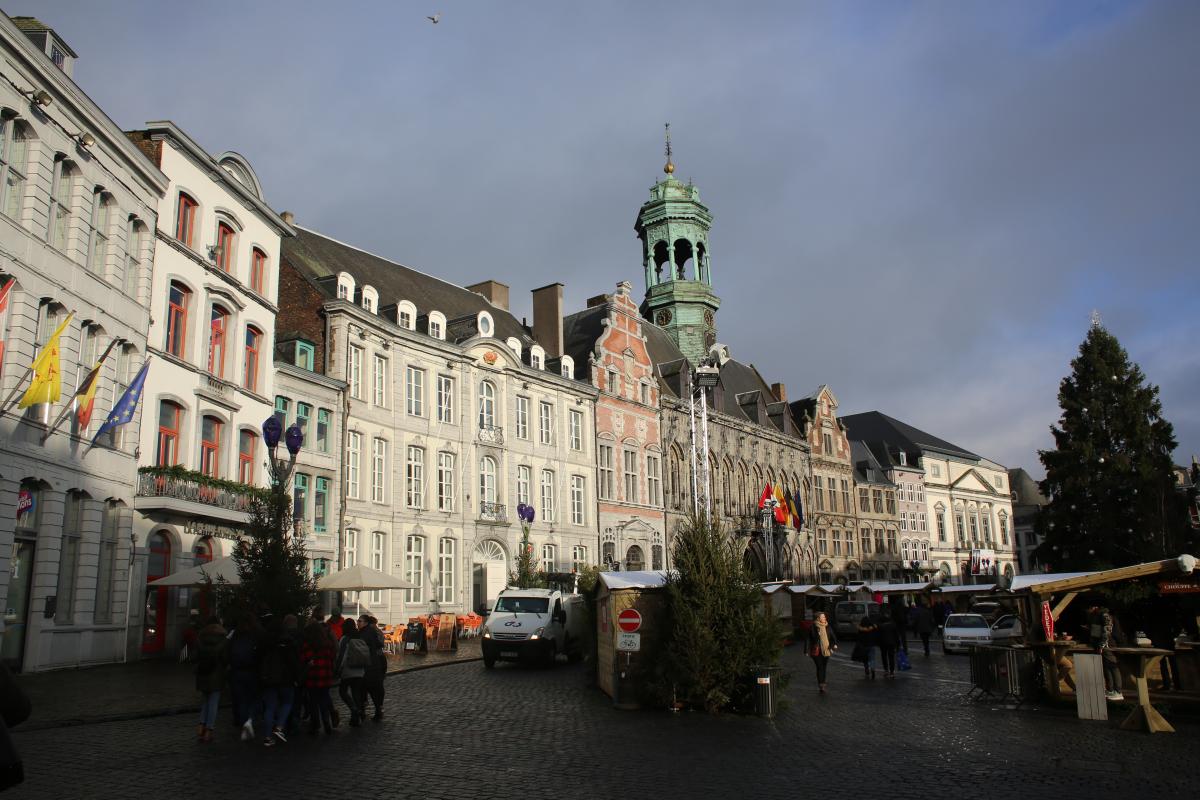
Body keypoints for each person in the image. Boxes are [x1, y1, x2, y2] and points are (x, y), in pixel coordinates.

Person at [259, 615, 300, 747]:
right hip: (286, 679)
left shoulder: (265, 642)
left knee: (270, 707)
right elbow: (293, 662)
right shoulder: (287, 641)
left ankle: (267, 736)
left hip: (269, 679)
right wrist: (296, 677)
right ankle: (279, 726)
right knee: (287, 702)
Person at [228, 614, 262, 741]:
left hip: (237, 672)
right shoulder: (255, 635)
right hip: (252, 671)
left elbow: (228, 651)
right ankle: (250, 720)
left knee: (242, 700)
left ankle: (244, 723)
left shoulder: (234, 635)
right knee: (254, 698)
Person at [194, 616, 227, 743]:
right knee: (213, 702)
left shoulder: (200, 637)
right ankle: (209, 730)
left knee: (205, 700)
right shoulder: (223, 639)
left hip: (202, 673)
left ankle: (201, 726)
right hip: (216, 674)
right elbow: (225, 659)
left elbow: (195, 656)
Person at [300, 619, 336, 735]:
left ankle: (315, 725)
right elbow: (331, 657)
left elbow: (304, 659)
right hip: (325, 675)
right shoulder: (326, 643)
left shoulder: (307, 644)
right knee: (324, 700)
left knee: (313, 702)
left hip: (313, 676)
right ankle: (327, 724)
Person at [335, 618, 368, 726]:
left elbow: (341, 656)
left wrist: (337, 670)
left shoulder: (345, 639)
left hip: (348, 670)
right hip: (360, 670)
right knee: (356, 693)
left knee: (343, 691)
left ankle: (354, 709)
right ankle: (356, 717)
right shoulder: (359, 637)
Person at [359, 615, 387, 721]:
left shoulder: (372, 632)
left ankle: (377, 707)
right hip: (377, 660)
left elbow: (379, 644)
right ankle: (377, 707)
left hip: (376, 660)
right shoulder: (374, 631)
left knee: (374, 686)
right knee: (375, 686)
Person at [807, 611, 838, 692]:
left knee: (824, 667)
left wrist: (833, 645)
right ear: (818, 618)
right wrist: (806, 650)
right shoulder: (813, 627)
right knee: (820, 667)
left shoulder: (828, 627)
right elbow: (808, 640)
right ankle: (821, 684)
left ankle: (823, 682)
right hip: (816, 651)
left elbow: (833, 638)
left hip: (826, 650)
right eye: (823, 617)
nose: (825, 618)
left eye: (824, 617)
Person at [855, 614, 879, 679]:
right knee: (872, 659)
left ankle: (867, 671)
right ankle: (873, 670)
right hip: (871, 645)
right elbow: (876, 635)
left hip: (864, 645)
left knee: (865, 659)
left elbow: (858, 637)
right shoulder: (873, 628)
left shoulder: (860, 629)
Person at [877, 612, 900, 677]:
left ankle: (886, 670)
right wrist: (898, 644)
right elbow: (896, 636)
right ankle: (892, 672)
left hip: (883, 643)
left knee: (884, 657)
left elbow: (878, 636)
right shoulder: (893, 625)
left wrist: (878, 643)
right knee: (891, 657)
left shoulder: (880, 626)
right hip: (891, 643)